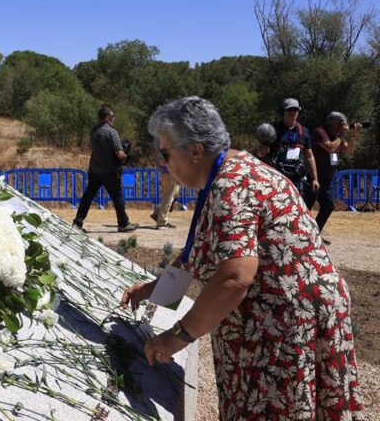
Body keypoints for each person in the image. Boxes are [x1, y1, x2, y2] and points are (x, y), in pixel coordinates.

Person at [121, 97, 364, 420]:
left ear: (195, 150)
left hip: (282, 330)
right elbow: (198, 254)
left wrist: (176, 337)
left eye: (165, 154)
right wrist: (151, 291)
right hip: (301, 317)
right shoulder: (236, 170)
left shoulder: (229, 185)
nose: (163, 163)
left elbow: (235, 277)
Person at [72, 105, 138, 233]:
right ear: (107, 117)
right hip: (110, 171)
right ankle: (123, 224)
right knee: (117, 197)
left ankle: (77, 223)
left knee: (88, 196)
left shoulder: (94, 131)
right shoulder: (111, 132)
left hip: (95, 170)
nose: (113, 118)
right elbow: (119, 154)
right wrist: (127, 157)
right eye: (112, 116)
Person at [306, 112, 363, 232]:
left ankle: (315, 233)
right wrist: (342, 135)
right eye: (342, 123)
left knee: (328, 205)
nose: (344, 125)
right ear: (334, 123)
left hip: (328, 178)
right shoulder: (320, 132)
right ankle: (297, 233)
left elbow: (349, 151)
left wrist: (352, 135)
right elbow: (330, 148)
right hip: (315, 176)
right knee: (306, 206)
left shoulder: (338, 137)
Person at [269, 98, 319, 197]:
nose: (293, 112)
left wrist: (315, 179)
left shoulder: (304, 131)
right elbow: (263, 151)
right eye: (289, 109)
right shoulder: (273, 129)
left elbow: (309, 156)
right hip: (277, 176)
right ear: (283, 111)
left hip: (296, 176)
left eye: (295, 110)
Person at [151, 161, 180, 229]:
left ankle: (158, 213)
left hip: (167, 172)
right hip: (171, 172)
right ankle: (162, 222)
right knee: (168, 198)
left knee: (169, 195)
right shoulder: (167, 150)